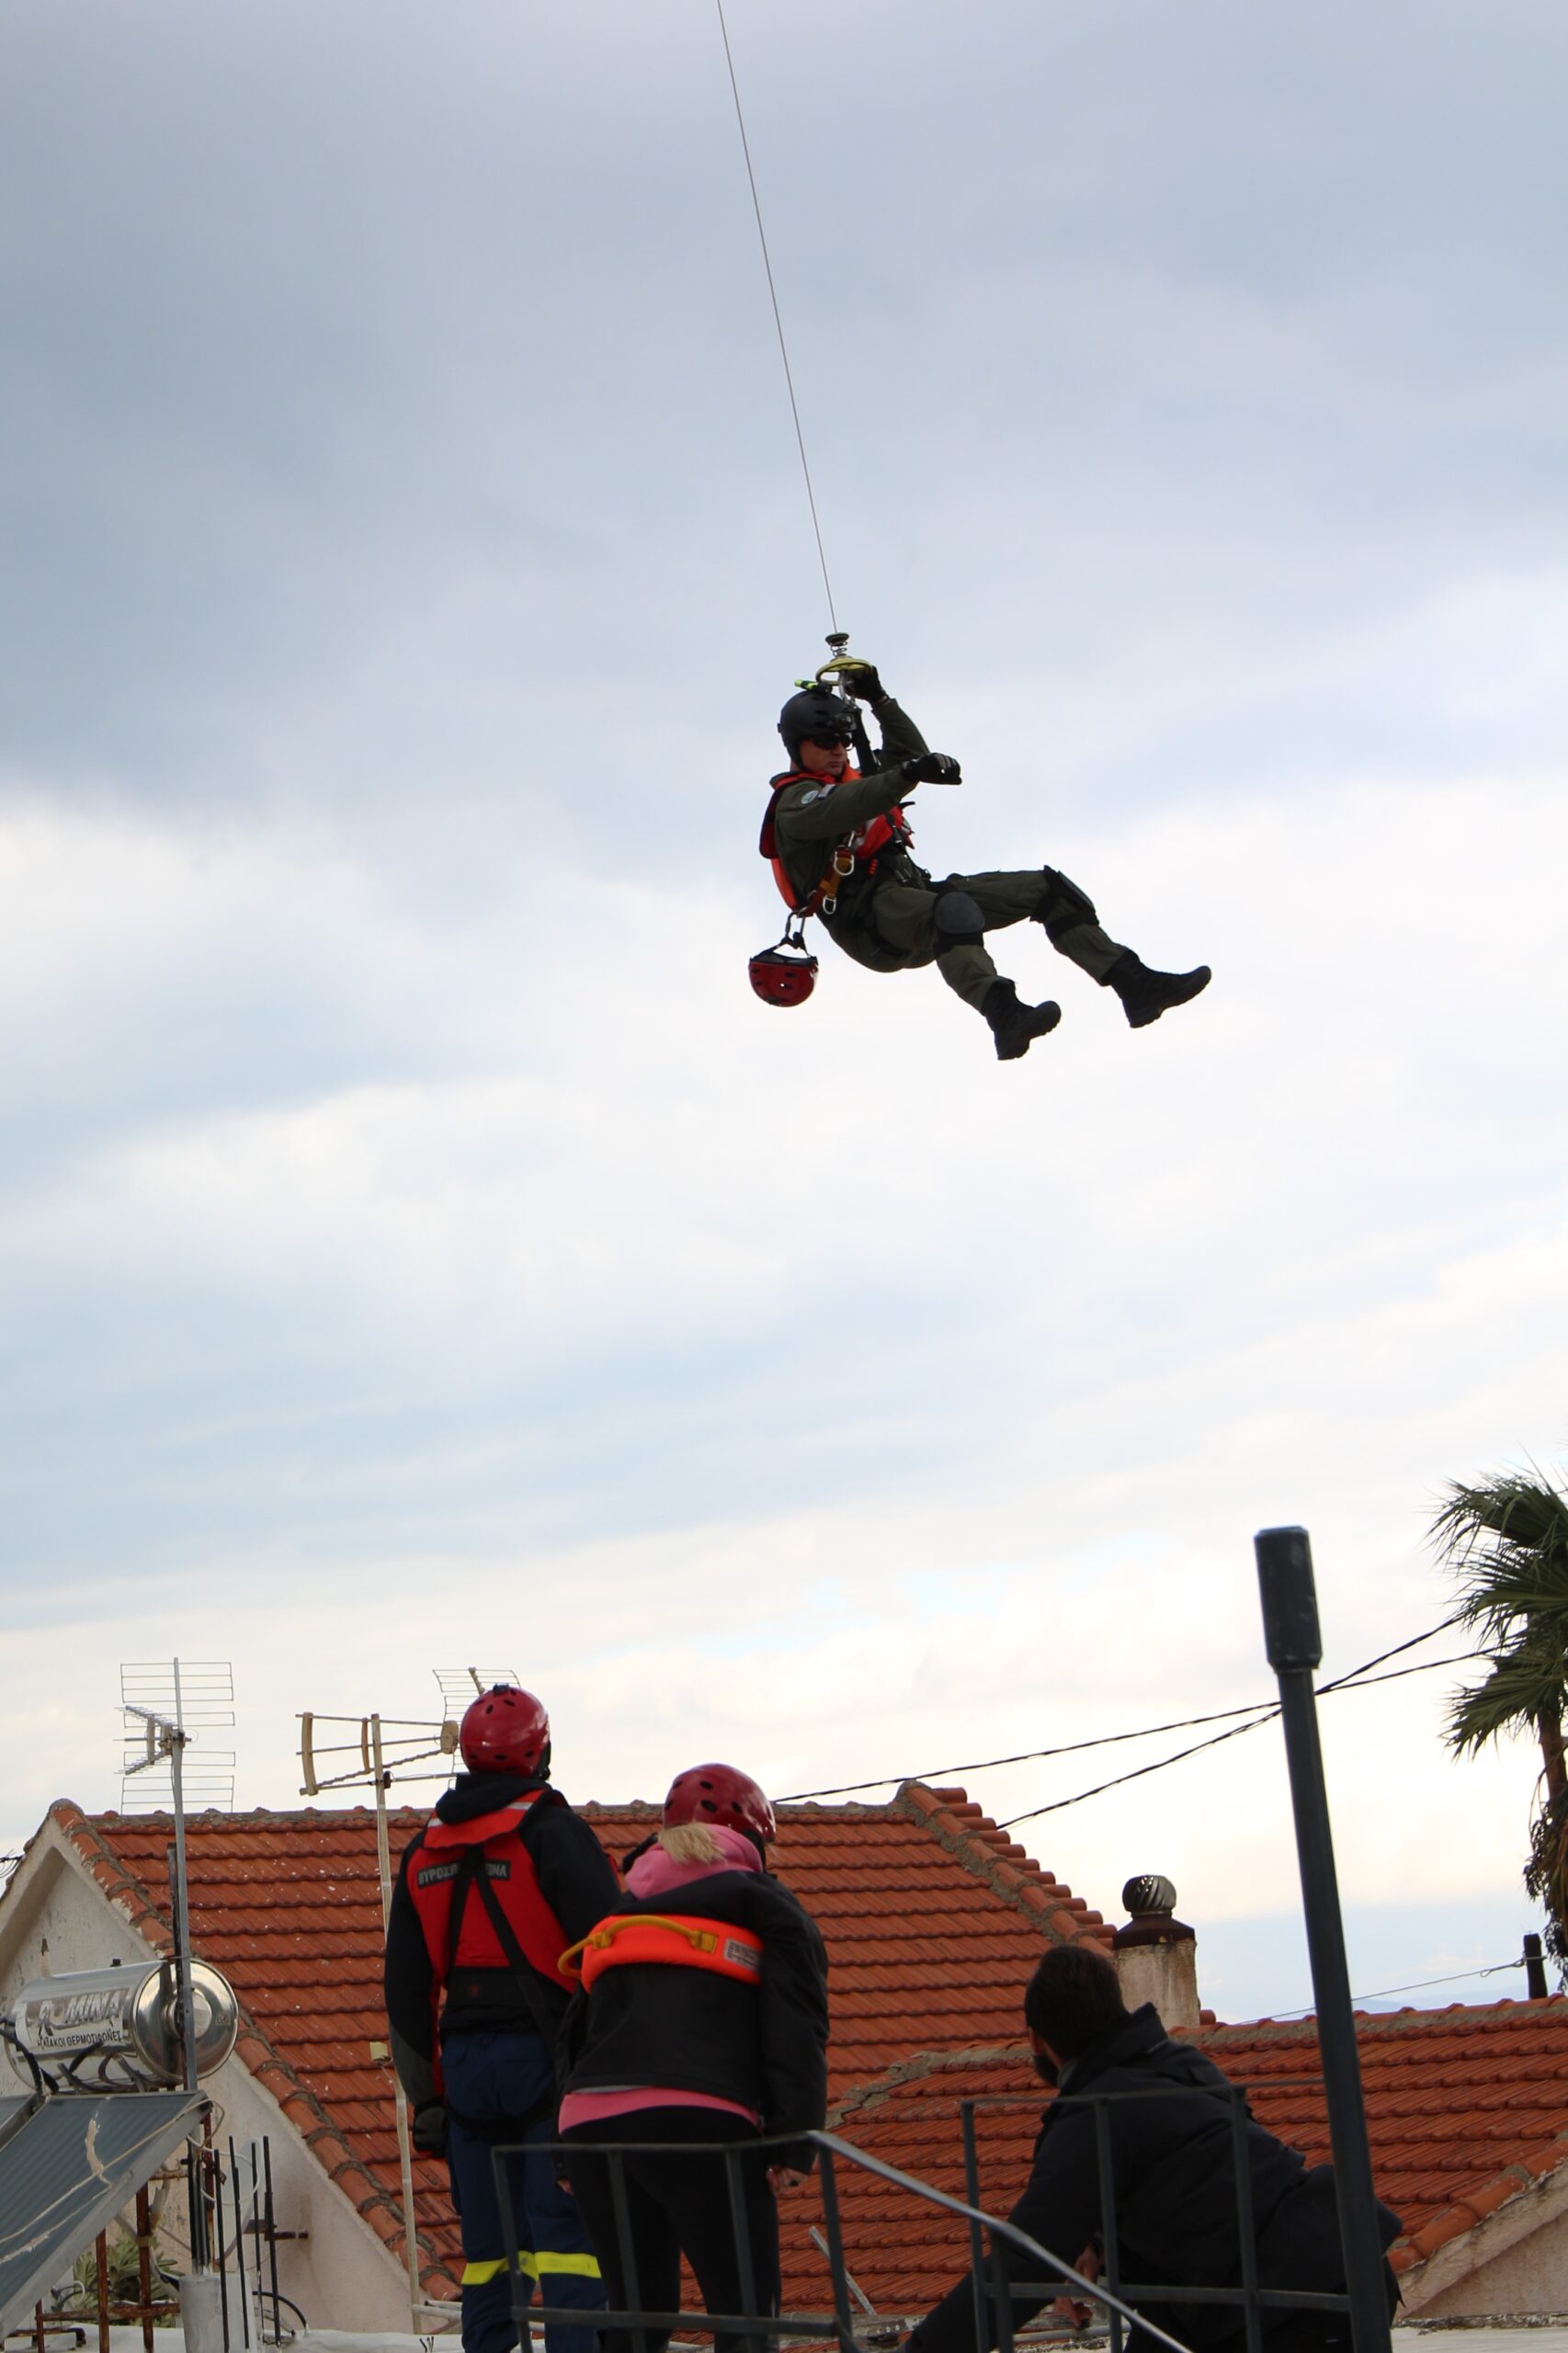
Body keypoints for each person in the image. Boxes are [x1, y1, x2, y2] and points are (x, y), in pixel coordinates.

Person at [907, 1943, 1400, 2353]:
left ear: (1036, 2040)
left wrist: (923, 2349)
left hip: (1286, 2305)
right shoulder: (1182, 2065)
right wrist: (1097, 2244)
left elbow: (1023, 2261)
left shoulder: (1093, 2114)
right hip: (1344, 2260)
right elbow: (1196, 2181)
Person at [763, 658, 1210, 1060]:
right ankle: (1004, 1014)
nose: (838, 749)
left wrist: (880, 701)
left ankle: (1136, 985)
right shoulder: (795, 802)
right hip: (871, 922)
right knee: (951, 911)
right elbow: (847, 804)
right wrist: (904, 775)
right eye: (824, 741)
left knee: (1046, 889)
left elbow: (909, 758)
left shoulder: (855, 776)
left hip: (912, 895)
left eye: (842, 738)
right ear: (798, 745)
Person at [556, 1763, 831, 2353]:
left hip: (588, 2126)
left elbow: (575, 2032)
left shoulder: (616, 1918)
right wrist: (793, 2143)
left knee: (639, 2314)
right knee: (747, 2316)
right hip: (699, 2119)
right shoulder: (767, 1907)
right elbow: (796, 2025)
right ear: (754, 1840)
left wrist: (562, 2158)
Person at [383, 1684, 620, 2353]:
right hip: (549, 2061)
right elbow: (611, 1951)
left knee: (489, 2251)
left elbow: (405, 1996)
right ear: (540, 1753)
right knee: (567, 2239)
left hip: (464, 2072)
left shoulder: (422, 1852)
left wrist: (427, 2101)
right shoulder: (554, 1832)